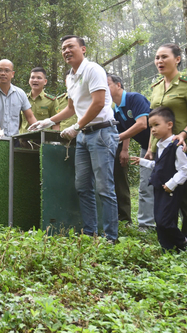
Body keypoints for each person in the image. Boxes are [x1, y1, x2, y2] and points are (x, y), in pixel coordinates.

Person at [29, 36, 119, 241]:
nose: (66, 51)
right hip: (84, 137)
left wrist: (77, 126)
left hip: (102, 133)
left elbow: (97, 104)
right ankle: (90, 233)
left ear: (83, 49)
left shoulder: (94, 70)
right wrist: (47, 122)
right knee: (82, 186)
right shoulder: (70, 77)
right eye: (63, 48)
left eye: (71, 46)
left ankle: (111, 237)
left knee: (104, 187)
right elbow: (70, 108)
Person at [147, 43, 187, 247]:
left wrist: (183, 134)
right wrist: (150, 148)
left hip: (184, 148)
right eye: (157, 58)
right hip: (161, 150)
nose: (159, 61)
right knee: (164, 192)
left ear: (177, 59)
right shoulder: (156, 87)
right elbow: (153, 121)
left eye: (164, 57)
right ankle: (170, 237)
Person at [131, 107, 187, 251]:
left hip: (171, 190)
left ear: (169, 125)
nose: (152, 130)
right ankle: (168, 247)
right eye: (151, 126)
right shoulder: (159, 146)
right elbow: (159, 166)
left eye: (156, 125)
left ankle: (184, 241)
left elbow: (185, 168)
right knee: (159, 220)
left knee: (166, 221)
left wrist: (172, 183)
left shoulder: (175, 146)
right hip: (159, 188)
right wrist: (142, 161)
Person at [107, 74, 155, 230]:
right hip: (144, 147)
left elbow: (142, 124)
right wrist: (124, 150)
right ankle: (146, 225)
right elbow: (126, 130)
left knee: (173, 183)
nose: (103, 88)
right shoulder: (115, 109)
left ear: (118, 85)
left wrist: (117, 138)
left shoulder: (135, 98)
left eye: (107, 84)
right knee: (145, 185)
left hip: (161, 144)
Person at [0, 59, 37, 137]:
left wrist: (40, 131)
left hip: (14, 139)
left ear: (12, 74)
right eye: (0, 70)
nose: (3, 73)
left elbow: (30, 117)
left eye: (7, 71)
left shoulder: (20, 94)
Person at [19, 67, 60, 133]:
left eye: (39, 78)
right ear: (29, 80)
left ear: (45, 81)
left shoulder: (51, 101)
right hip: (22, 139)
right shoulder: (22, 98)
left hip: (42, 139)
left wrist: (54, 141)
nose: (35, 80)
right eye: (32, 77)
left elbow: (56, 123)